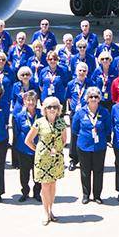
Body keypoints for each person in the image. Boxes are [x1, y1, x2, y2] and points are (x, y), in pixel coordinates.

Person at [27, 96, 70, 224]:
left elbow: (64, 140)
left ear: (59, 109)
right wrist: (39, 151)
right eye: (49, 107)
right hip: (42, 159)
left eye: (55, 107)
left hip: (56, 158)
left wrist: (56, 150)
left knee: (53, 184)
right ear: (45, 109)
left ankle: (51, 210)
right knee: (45, 186)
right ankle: (45, 212)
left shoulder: (61, 122)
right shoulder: (39, 122)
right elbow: (28, 140)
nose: (52, 109)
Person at [73, 87, 111, 203]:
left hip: (99, 146)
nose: (93, 99)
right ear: (87, 99)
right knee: (85, 171)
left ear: (99, 99)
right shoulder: (80, 112)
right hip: (84, 146)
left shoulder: (104, 112)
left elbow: (108, 128)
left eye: (96, 97)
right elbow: (75, 129)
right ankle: (86, 194)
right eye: (91, 97)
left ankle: (97, 195)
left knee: (98, 171)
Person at [11, 90, 40, 202]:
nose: (31, 102)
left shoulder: (41, 115)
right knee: (24, 173)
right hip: (23, 149)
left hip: (38, 149)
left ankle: (37, 192)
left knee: (37, 172)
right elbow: (16, 133)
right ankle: (25, 192)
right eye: (28, 100)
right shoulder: (19, 116)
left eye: (33, 100)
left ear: (36, 101)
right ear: (24, 101)